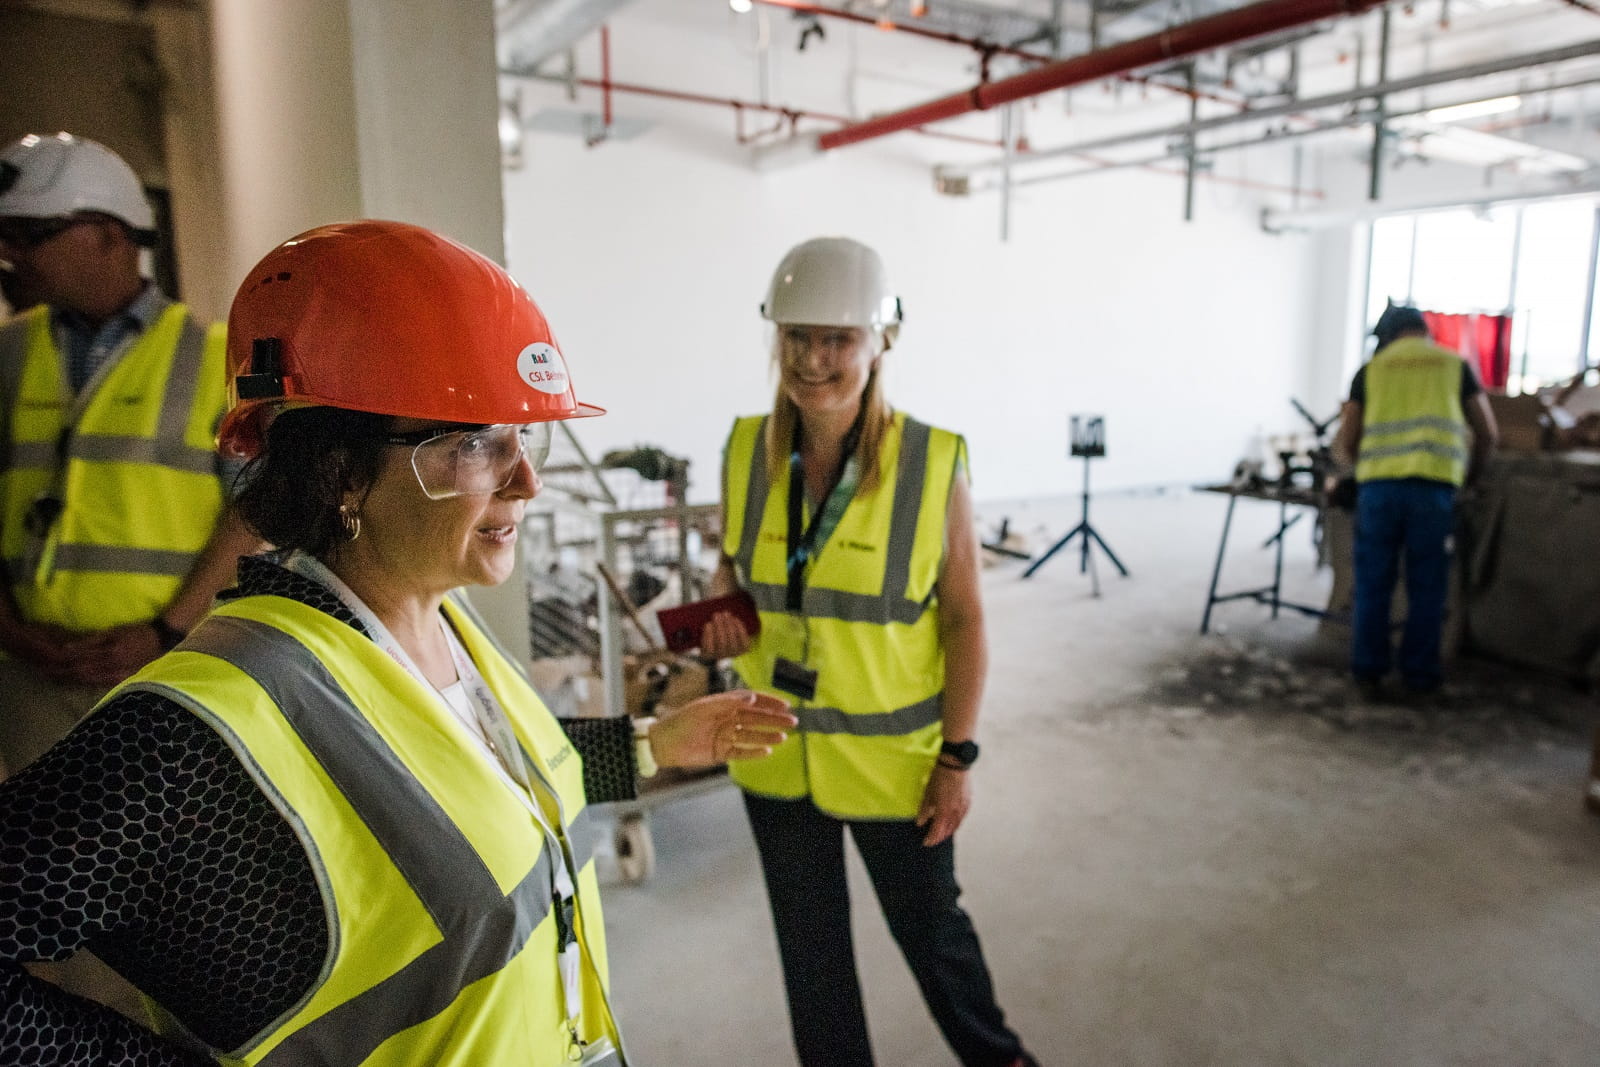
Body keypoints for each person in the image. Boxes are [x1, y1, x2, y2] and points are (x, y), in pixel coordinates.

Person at [0, 219, 795, 1065]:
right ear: (340, 471)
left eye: (524, 436)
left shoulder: (444, 621)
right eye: (477, 441)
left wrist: (648, 745)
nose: (527, 481)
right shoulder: (211, 718)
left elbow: (472, 792)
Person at [700, 236, 1035, 1067]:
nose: (812, 359)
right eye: (797, 336)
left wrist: (957, 757)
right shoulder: (744, 449)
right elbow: (733, 568)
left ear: (880, 342)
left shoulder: (931, 462)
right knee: (811, 962)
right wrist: (723, 609)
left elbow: (965, 621)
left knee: (937, 945)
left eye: (837, 339)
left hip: (895, 767)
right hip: (775, 751)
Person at [0, 132, 262, 778]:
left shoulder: (217, 357)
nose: (10, 254)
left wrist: (165, 631)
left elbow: (255, 511)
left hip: (169, 669)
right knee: (46, 842)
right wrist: (10, 628)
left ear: (109, 235)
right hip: (32, 680)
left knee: (165, 838)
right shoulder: (7, 354)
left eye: (30, 235)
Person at [1333, 302, 1498, 698]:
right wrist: (1470, 478)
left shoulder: (1371, 370)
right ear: (1424, 331)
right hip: (1434, 491)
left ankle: (1368, 671)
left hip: (1379, 491)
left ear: (1387, 337)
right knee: (1428, 586)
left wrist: (1355, 474)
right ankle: (1420, 676)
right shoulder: (1453, 366)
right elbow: (1488, 433)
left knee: (1373, 583)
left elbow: (1344, 443)